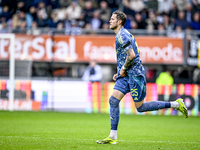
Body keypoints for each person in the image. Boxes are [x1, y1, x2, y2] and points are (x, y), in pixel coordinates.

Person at [96, 10, 188, 145]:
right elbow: (127, 56)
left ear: (119, 21)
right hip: (126, 75)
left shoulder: (122, 35)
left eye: (112, 19)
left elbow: (132, 55)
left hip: (135, 76)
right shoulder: (123, 35)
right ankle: (112, 136)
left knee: (140, 107)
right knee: (113, 101)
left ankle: (175, 104)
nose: (110, 21)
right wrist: (120, 71)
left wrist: (122, 69)